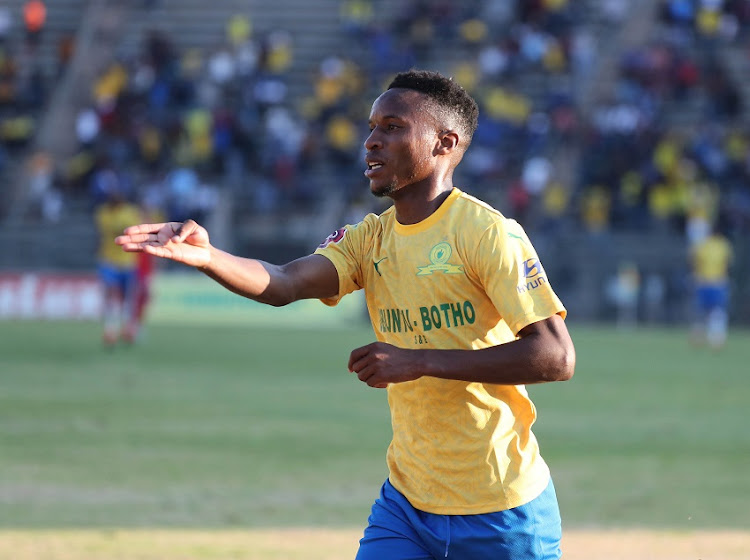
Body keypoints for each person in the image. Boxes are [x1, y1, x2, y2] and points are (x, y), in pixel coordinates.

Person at [116, 69, 576, 559]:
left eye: (393, 127)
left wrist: (418, 361)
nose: (372, 142)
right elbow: (286, 283)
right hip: (407, 505)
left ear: (445, 142)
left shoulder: (486, 234)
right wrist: (210, 256)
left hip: (501, 510)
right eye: (372, 127)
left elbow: (554, 355)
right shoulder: (369, 238)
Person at [95, 187, 142, 346]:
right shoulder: (103, 213)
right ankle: (110, 329)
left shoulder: (130, 212)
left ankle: (128, 327)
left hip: (128, 261)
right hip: (109, 260)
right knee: (112, 293)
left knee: (128, 296)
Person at [689, 223, 733, 349]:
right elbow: (727, 263)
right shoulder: (723, 245)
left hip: (705, 282)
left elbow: (694, 261)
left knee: (703, 311)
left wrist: (695, 275)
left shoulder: (704, 244)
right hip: (716, 282)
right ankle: (716, 339)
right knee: (716, 311)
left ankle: (702, 338)